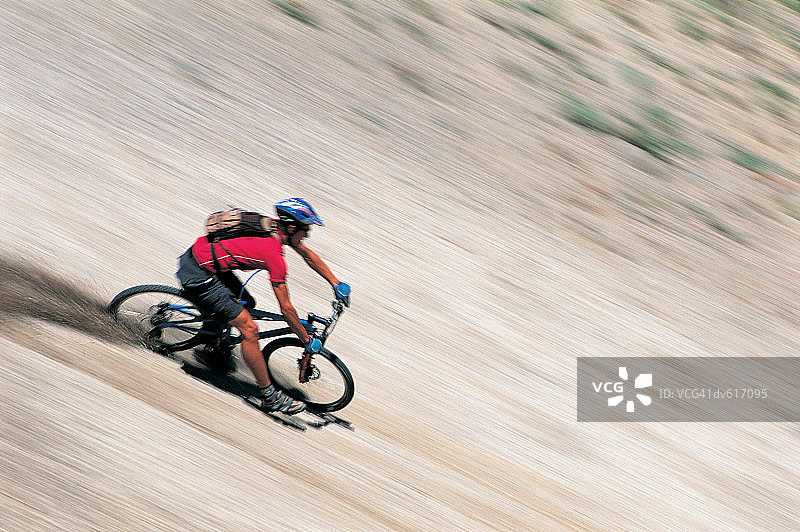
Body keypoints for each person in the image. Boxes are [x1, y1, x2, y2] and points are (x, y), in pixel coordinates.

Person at [176, 198, 351, 415]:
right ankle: (269, 396)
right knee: (249, 330)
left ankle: (215, 342)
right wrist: (306, 340)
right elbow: (286, 309)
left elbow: (306, 254)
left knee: (247, 304)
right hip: (199, 275)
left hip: (201, 258)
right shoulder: (273, 254)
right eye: (306, 230)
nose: (307, 235)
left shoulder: (271, 226)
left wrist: (335, 282)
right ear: (292, 227)